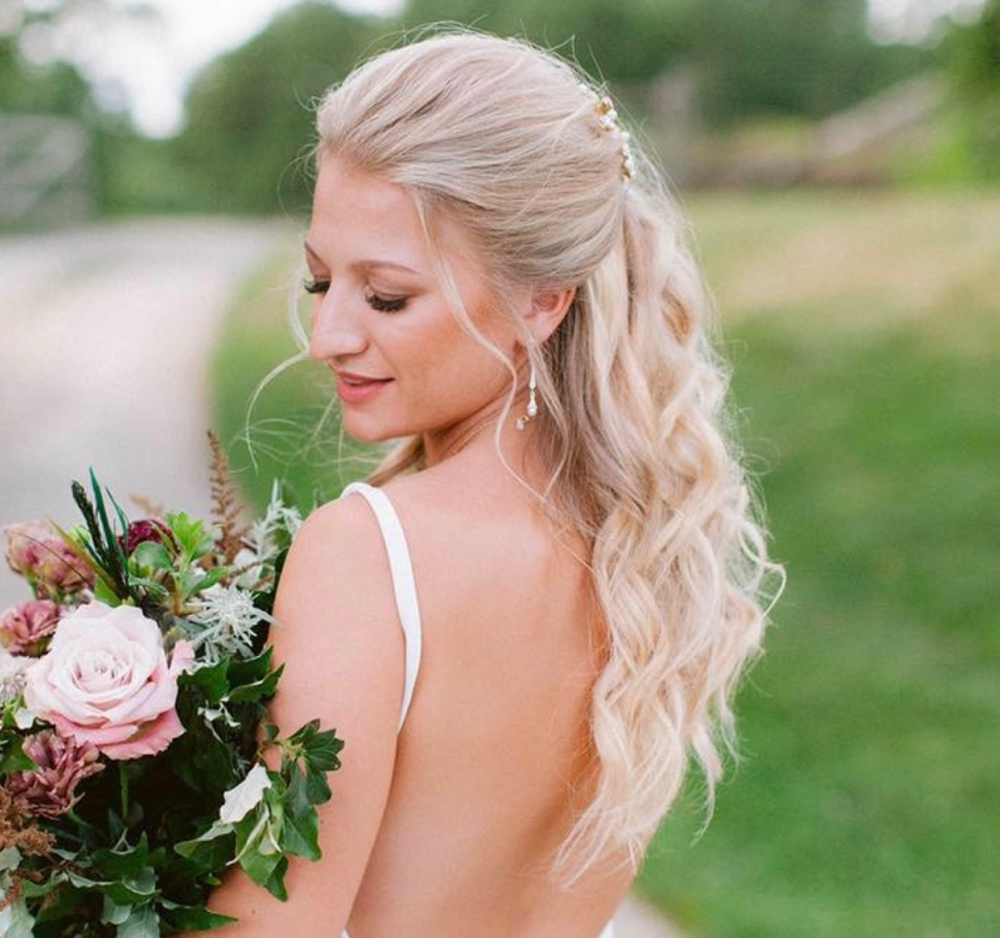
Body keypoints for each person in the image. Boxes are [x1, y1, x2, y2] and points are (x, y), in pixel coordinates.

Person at [206, 29, 778, 938]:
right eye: (320, 281)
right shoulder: (645, 566)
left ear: (543, 299)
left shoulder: (371, 555)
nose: (328, 336)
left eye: (386, 296)